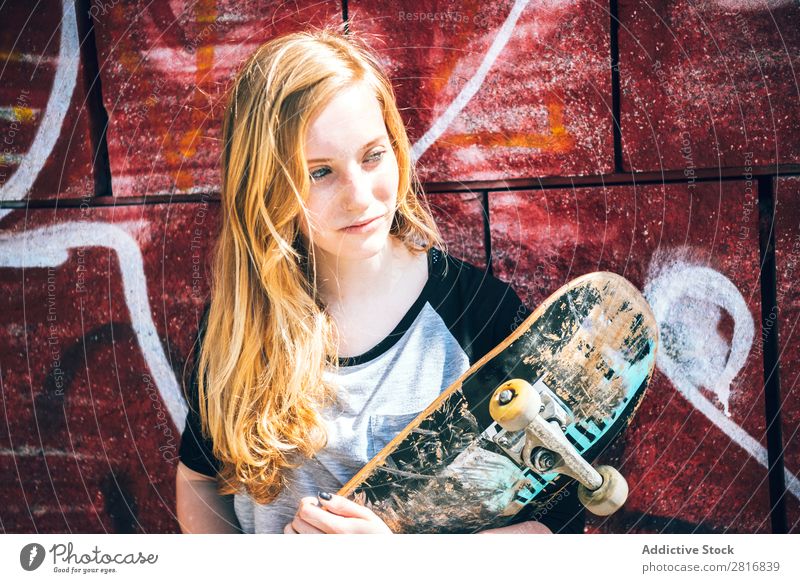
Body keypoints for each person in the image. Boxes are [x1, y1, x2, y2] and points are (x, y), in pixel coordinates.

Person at [175, 26, 585, 534]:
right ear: (264, 186)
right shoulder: (238, 329)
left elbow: (557, 524)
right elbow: (199, 478)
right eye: (319, 172)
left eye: (372, 156)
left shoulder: (477, 315)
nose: (360, 196)